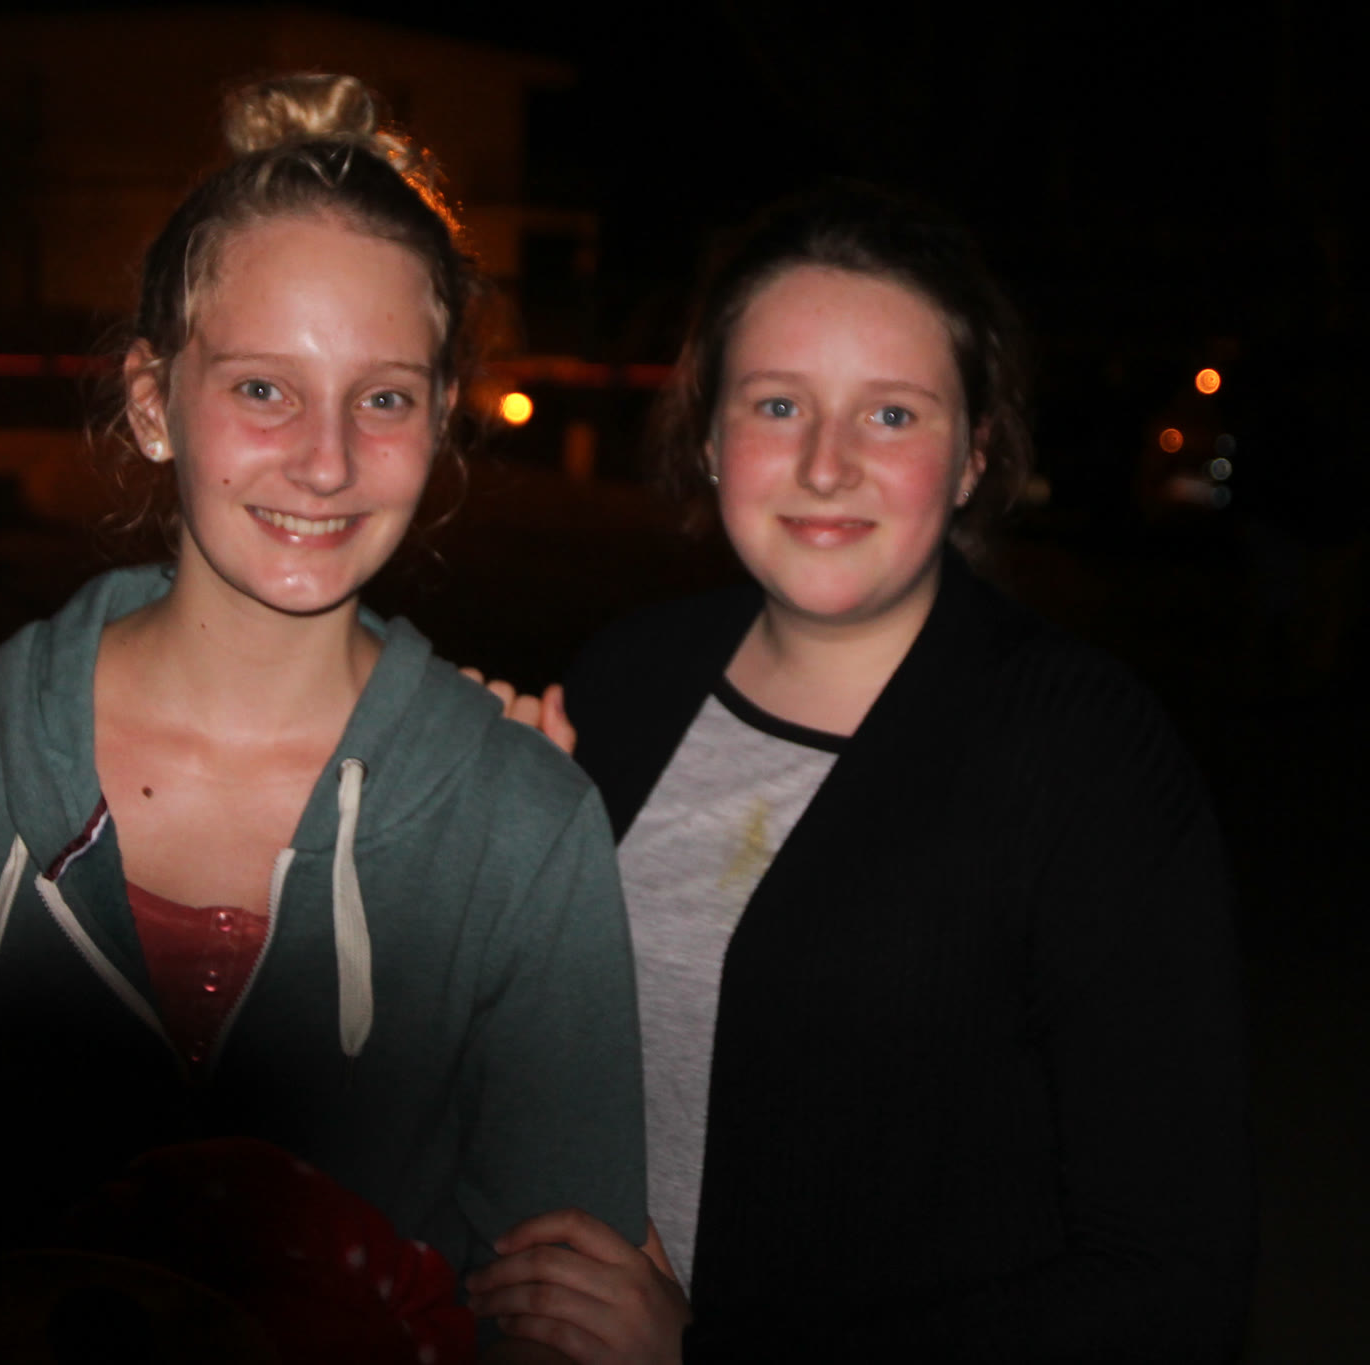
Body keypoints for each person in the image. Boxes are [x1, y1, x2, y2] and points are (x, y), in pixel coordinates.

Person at [0, 73, 645, 1360]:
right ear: (152, 402)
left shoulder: (524, 830)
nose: (324, 460)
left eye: (384, 396)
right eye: (264, 389)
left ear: (441, 419)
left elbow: (553, 1320)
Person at [464, 183, 1253, 1363]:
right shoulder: (624, 682)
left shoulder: (1081, 757)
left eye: (889, 414)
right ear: (709, 436)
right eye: (777, 404)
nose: (824, 465)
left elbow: (1174, 1282)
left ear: (973, 454)